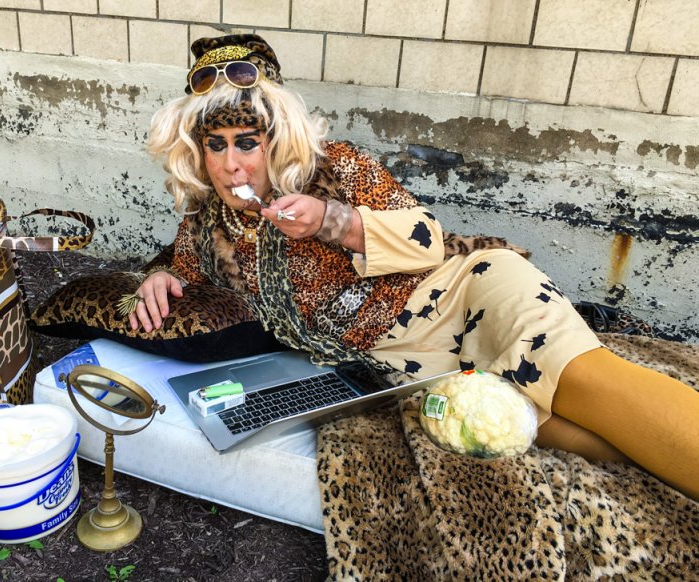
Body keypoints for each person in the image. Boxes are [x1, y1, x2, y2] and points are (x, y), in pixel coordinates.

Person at [130, 34, 698, 501]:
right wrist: (159, 276)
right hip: (400, 364)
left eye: (247, 143)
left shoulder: (336, 167)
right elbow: (187, 273)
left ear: (276, 139)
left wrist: (333, 220)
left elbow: (427, 239)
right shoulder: (206, 223)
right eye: (217, 144)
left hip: (463, 291)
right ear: (196, 149)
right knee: (558, 433)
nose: (232, 165)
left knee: (586, 382)